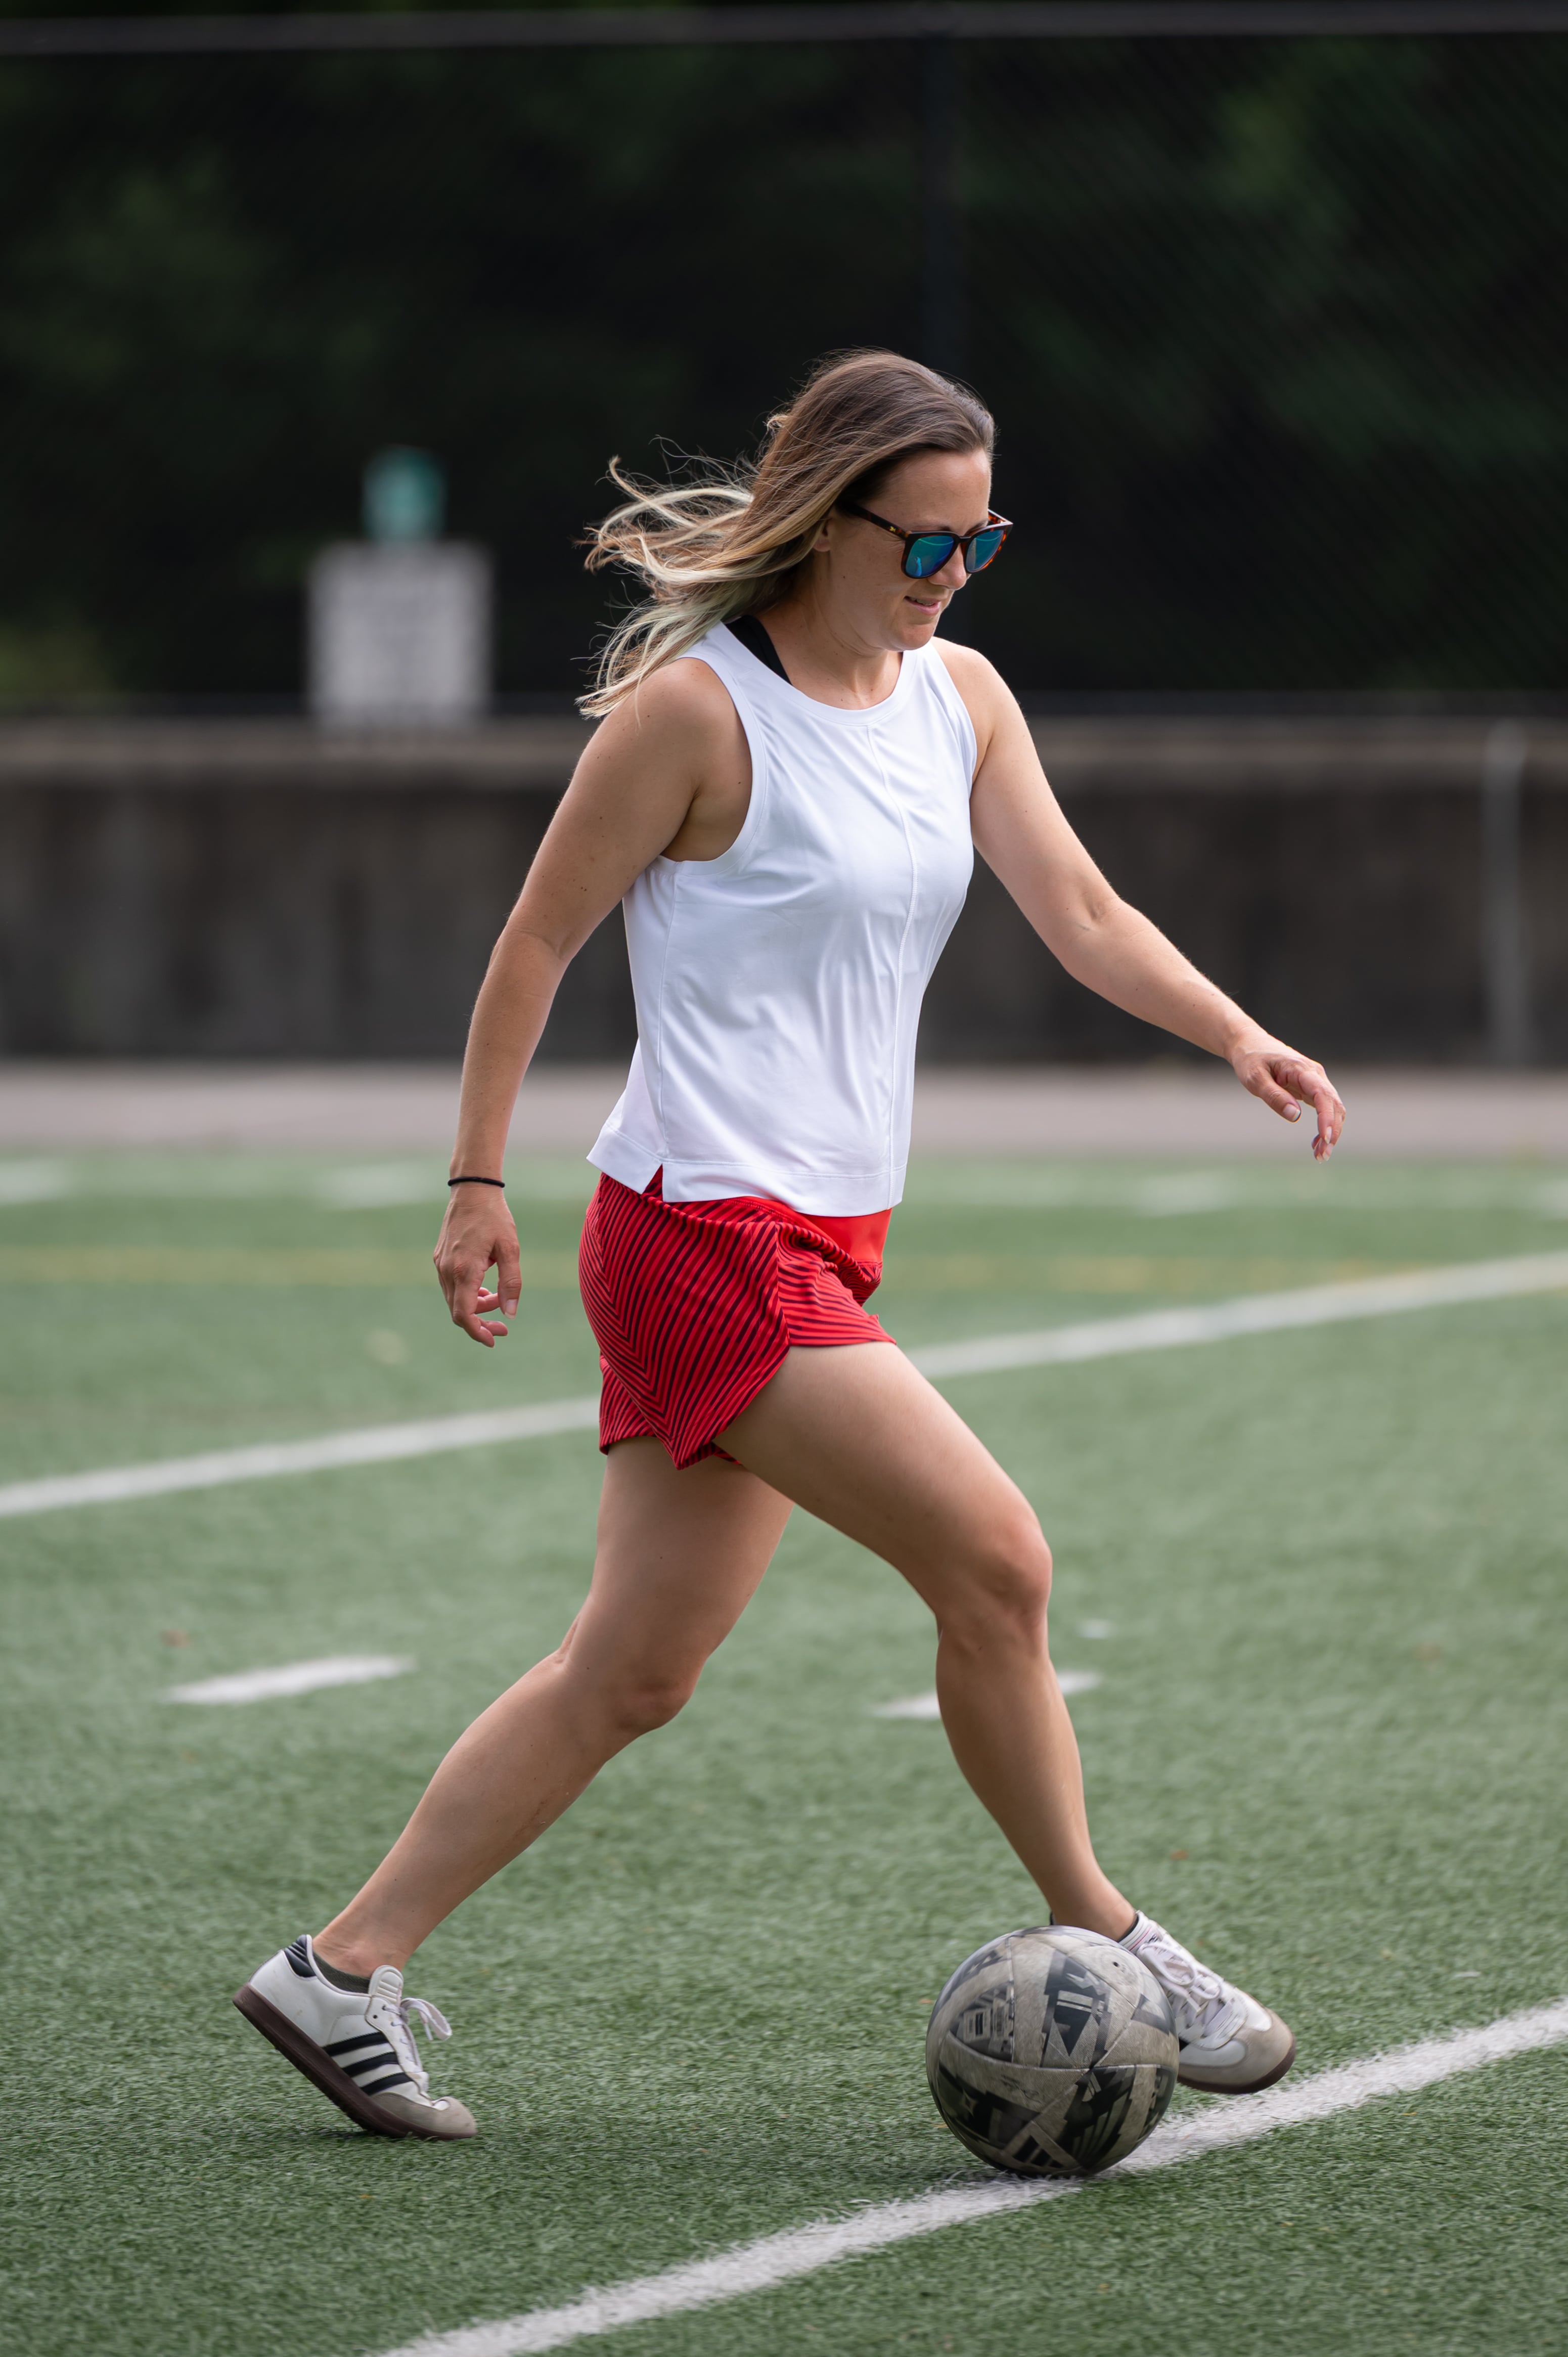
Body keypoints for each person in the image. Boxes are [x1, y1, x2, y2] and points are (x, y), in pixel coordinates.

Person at [236, 351, 1346, 2142]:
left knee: (635, 1671)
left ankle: (340, 1969)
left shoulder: (959, 699)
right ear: (830, 519)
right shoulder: (694, 715)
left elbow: (1078, 906)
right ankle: (1119, 1939)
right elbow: (533, 947)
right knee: (998, 1560)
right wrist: (473, 1184)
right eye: (923, 545)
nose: (950, 580)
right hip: (701, 1232)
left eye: (982, 547)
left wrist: (1232, 1031)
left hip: (824, 1234)